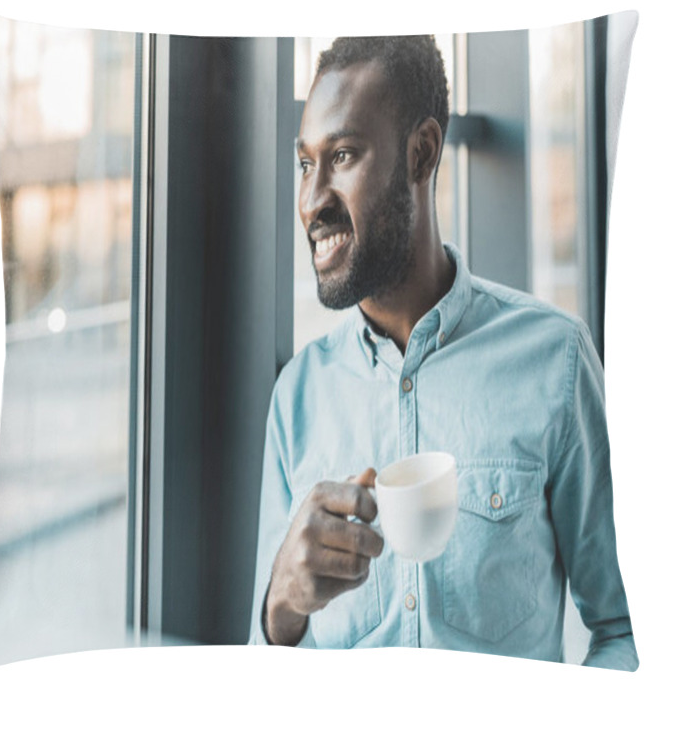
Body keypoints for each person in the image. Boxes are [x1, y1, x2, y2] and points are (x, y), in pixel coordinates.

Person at [248, 35, 638, 670]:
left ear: (422, 152)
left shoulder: (557, 363)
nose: (311, 200)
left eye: (342, 155)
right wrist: (280, 608)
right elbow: (262, 665)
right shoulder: (297, 395)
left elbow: (626, 627)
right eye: (303, 164)